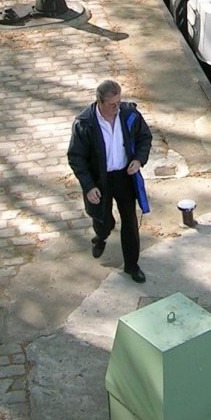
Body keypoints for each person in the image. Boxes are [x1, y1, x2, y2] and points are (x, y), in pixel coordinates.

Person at [67, 80, 152, 284]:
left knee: (130, 222)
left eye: (119, 102)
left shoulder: (129, 114)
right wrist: (88, 186)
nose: (117, 107)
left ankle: (132, 265)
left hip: (124, 177)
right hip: (100, 180)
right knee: (104, 219)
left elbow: (144, 138)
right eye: (112, 104)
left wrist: (138, 160)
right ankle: (101, 236)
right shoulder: (85, 124)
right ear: (100, 102)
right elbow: (75, 157)